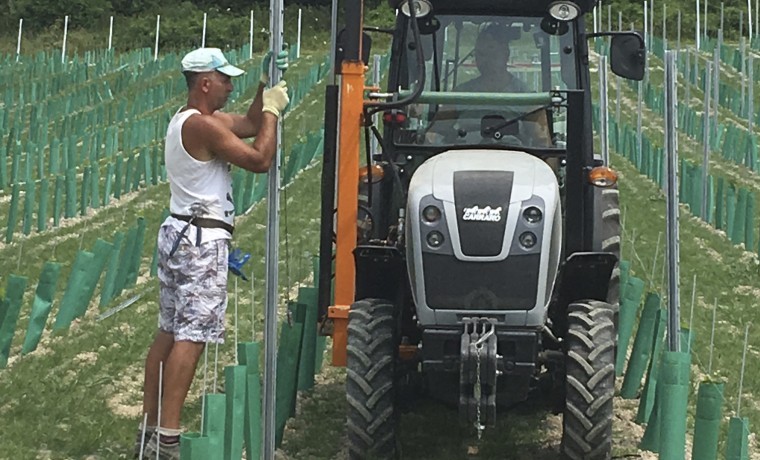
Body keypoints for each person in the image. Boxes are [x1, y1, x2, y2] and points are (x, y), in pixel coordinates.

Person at [135, 47, 290, 459]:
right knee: (192, 336)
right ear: (205, 83)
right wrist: (274, 112)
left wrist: (265, 86)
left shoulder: (190, 121)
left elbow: (249, 122)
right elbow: (259, 157)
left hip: (179, 233)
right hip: (201, 242)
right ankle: (168, 438)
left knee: (168, 333)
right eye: (225, 80)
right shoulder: (203, 128)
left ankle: (148, 431)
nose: (230, 86)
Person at [431, 24, 552, 147]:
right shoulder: (460, 94)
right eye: (480, 54)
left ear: (505, 54)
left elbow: (542, 141)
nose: (485, 59)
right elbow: (434, 133)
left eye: (491, 51)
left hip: (515, 159)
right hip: (466, 158)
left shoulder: (526, 97)